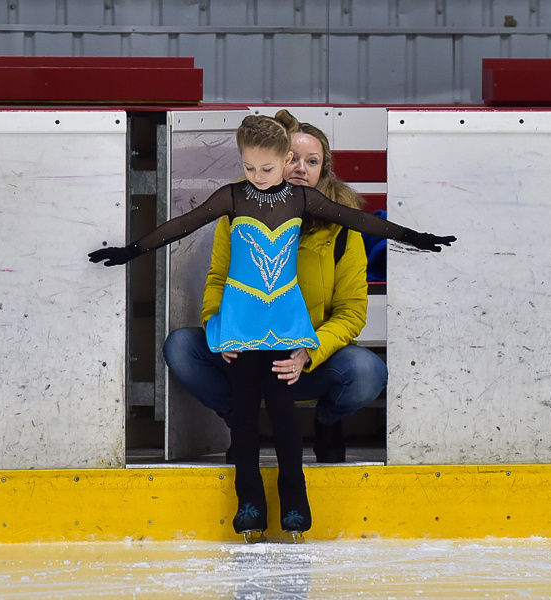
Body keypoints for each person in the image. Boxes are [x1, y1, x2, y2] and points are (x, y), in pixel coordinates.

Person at [89, 115, 455, 541]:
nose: (267, 174)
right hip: (243, 327)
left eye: (306, 161)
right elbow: (186, 233)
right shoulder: (233, 200)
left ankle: (295, 501)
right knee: (241, 411)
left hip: (290, 332)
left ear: (297, 165)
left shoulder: (308, 206)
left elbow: (364, 232)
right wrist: (133, 253)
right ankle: (248, 506)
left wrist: (415, 237)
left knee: (286, 416)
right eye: (251, 167)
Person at [164, 109, 388, 464]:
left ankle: (327, 422)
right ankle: (243, 426)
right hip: (247, 352)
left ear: (323, 171)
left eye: (312, 161)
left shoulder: (343, 229)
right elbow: (218, 279)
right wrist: (220, 329)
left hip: (305, 360)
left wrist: (308, 352)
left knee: (367, 372)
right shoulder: (238, 213)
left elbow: (351, 312)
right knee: (181, 348)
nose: (300, 168)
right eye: (292, 158)